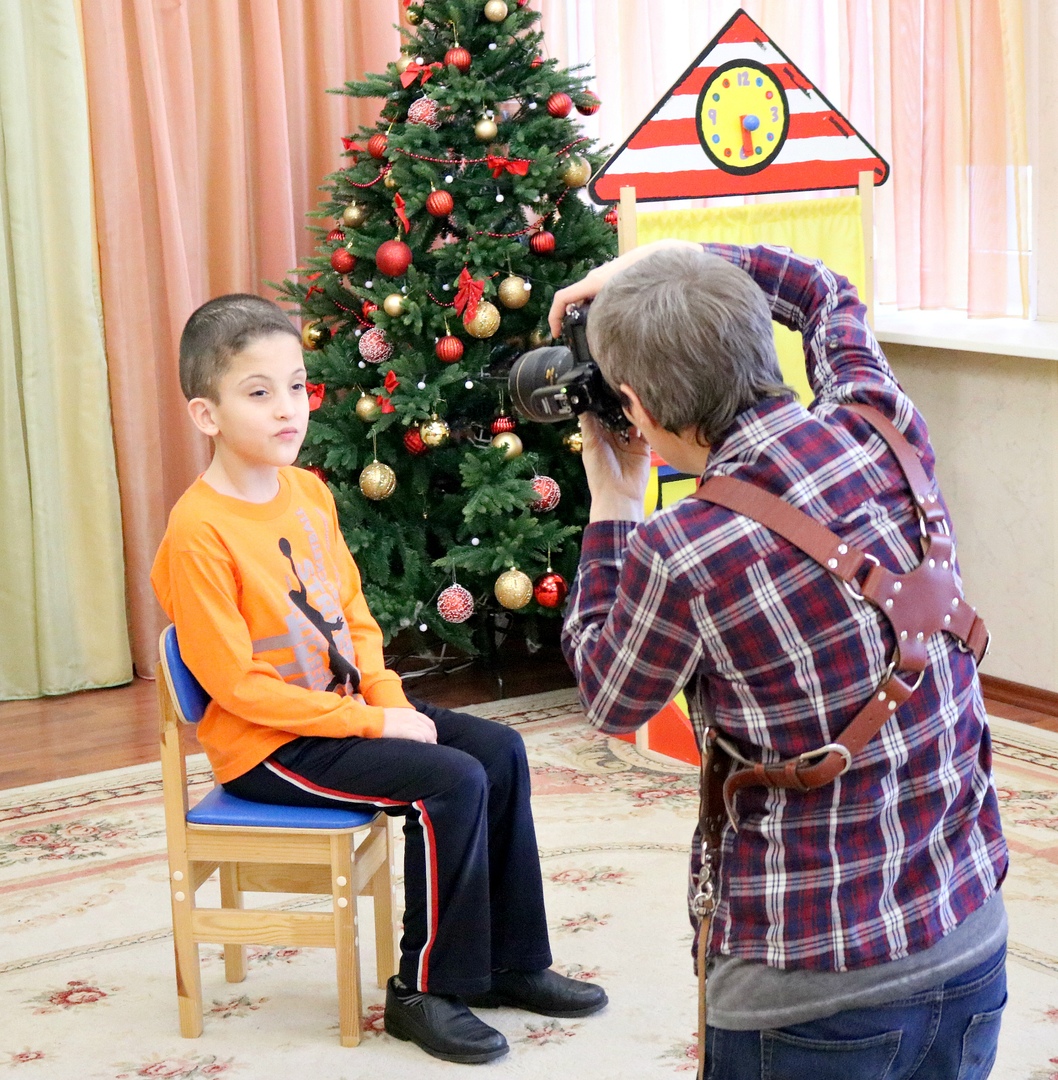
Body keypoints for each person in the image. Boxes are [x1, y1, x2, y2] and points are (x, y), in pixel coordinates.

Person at [552, 242, 1008, 1079]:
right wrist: (672, 262)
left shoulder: (681, 547)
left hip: (808, 992)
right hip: (970, 934)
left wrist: (614, 506)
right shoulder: (881, 419)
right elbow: (824, 290)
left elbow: (610, 699)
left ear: (634, 403)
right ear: (760, 341)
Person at [150, 294, 606, 1065]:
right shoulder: (198, 534)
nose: (287, 408)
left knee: (499, 753)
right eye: (258, 393)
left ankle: (509, 962)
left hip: (342, 710)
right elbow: (236, 689)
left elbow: (353, 616)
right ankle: (421, 990)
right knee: (449, 782)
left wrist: (387, 701)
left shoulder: (308, 493)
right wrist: (372, 724)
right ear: (207, 414)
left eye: (296, 385)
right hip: (271, 745)